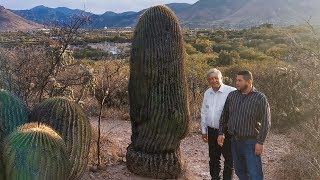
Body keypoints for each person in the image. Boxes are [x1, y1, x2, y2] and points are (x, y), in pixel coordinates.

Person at [217, 70, 271, 180]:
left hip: (250, 142)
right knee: (240, 171)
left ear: (249, 81)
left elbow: (266, 121)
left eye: (239, 80)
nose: (236, 83)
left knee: (254, 173)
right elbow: (224, 115)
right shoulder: (232, 95)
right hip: (235, 141)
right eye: (236, 80)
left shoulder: (260, 98)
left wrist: (260, 142)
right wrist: (221, 132)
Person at [201, 68, 236, 180]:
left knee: (229, 158)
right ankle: (215, 178)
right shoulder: (207, 92)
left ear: (221, 78)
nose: (213, 80)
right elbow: (204, 112)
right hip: (212, 130)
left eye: (216, 78)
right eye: (211, 79)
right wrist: (203, 130)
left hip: (227, 132)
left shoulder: (231, 91)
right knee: (214, 157)